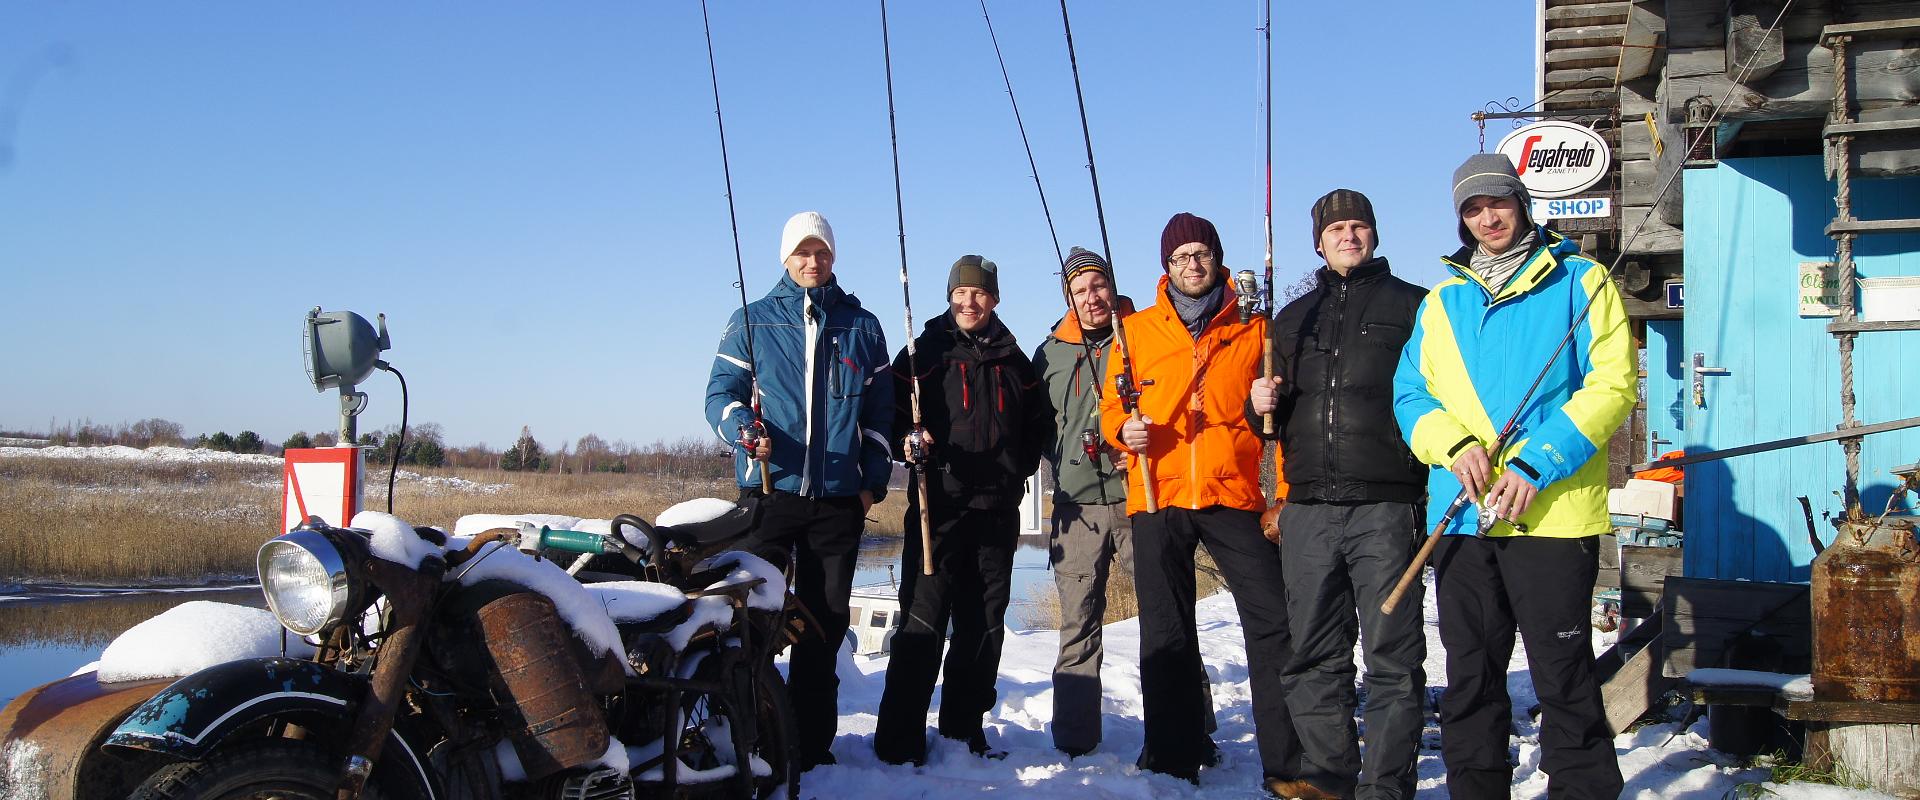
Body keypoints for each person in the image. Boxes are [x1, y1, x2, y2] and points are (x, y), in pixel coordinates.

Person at [1393, 154, 1634, 799]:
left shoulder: (1581, 281)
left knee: (1563, 676)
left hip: (1551, 517)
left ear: (1520, 203)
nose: (1487, 217)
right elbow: (1410, 393)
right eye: (1472, 208)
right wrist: (1454, 447)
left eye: (1497, 202)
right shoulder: (1443, 299)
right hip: (1464, 516)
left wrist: (1537, 462)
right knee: (1470, 676)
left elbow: (1612, 386)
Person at [1100, 212, 1303, 792]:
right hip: (1157, 495)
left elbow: (1283, 426)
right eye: (1180, 257)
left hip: (1231, 495)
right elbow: (1112, 410)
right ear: (1165, 268)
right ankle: (1171, 757)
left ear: (1216, 259)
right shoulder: (1133, 332)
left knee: (1272, 621)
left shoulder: (1254, 330)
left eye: (1201, 254)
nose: (1192, 265)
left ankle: (1287, 763)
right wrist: (1124, 432)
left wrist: (1282, 494)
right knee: (1165, 630)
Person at [1248, 189, 1428, 800]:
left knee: (1392, 657)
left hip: (1385, 504)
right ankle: (1329, 779)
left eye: (1358, 226)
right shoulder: (1291, 320)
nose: (1348, 236)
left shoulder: (1416, 307)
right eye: (1336, 229)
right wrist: (1260, 409)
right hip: (1308, 509)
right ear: (1318, 241)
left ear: (1374, 234)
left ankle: (1385, 787)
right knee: (1312, 654)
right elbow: (1273, 420)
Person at [703, 210, 894, 772]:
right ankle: (751, 735)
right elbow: (719, 392)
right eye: (803, 253)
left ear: (833, 258)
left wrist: (869, 488)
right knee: (750, 623)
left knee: (823, 625)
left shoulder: (863, 326)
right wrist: (744, 428)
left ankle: (810, 746)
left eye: (823, 253)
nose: (813, 262)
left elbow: (882, 412)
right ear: (785, 258)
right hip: (769, 497)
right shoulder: (751, 320)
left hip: (838, 504)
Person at [873, 255, 1051, 765]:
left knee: (984, 626)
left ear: (994, 298)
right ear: (949, 297)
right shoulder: (925, 353)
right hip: (938, 509)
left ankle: (962, 731)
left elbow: (1038, 425)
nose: (969, 302)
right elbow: (888, 414)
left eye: (979, 293)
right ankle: (898, 741)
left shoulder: (1017, 361)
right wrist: (910, 437)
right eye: (961, 293)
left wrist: (1016, 468)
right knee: (923, 622)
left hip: (997, 512)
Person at [1031, 246, 1136, 758]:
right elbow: (1032, 426)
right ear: (1069, 297)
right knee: (1077, 623)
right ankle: (1074, 741)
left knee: (1168, 618)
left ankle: (1189, 729)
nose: (1092, 297)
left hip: (1141, 499)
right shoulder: (1050, 351)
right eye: (1080, 290)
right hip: (1075, 505)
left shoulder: (1144, 335)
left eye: (1099, 286)